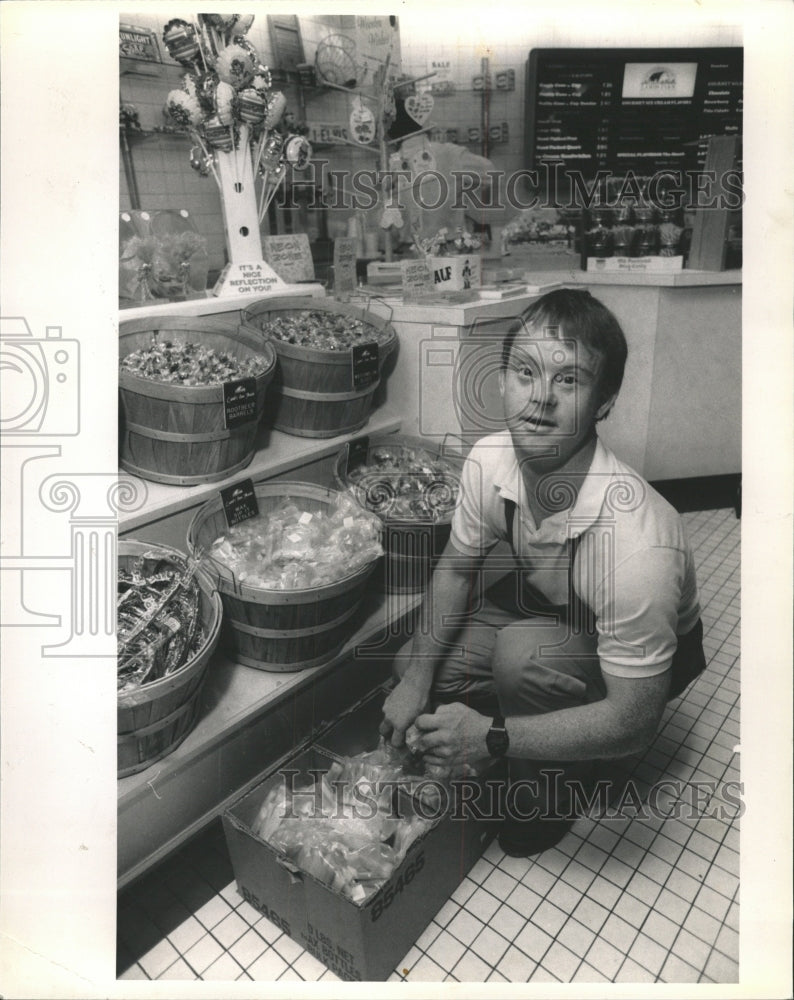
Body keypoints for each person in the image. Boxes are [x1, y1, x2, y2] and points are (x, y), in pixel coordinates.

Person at [379, 288, 706, 856]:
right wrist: (414, 682)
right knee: (417, 660)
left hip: (645, 664)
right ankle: (524, 734)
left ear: (604, 402)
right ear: (503, 379)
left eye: (570, 381)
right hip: (556, 603)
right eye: (526, 372)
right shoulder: (489, 459)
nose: (541, 399)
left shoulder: (637, 544)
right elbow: (456, 570)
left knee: (524, 657)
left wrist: (490, 738)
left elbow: (635, 721)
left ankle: (546, 795)